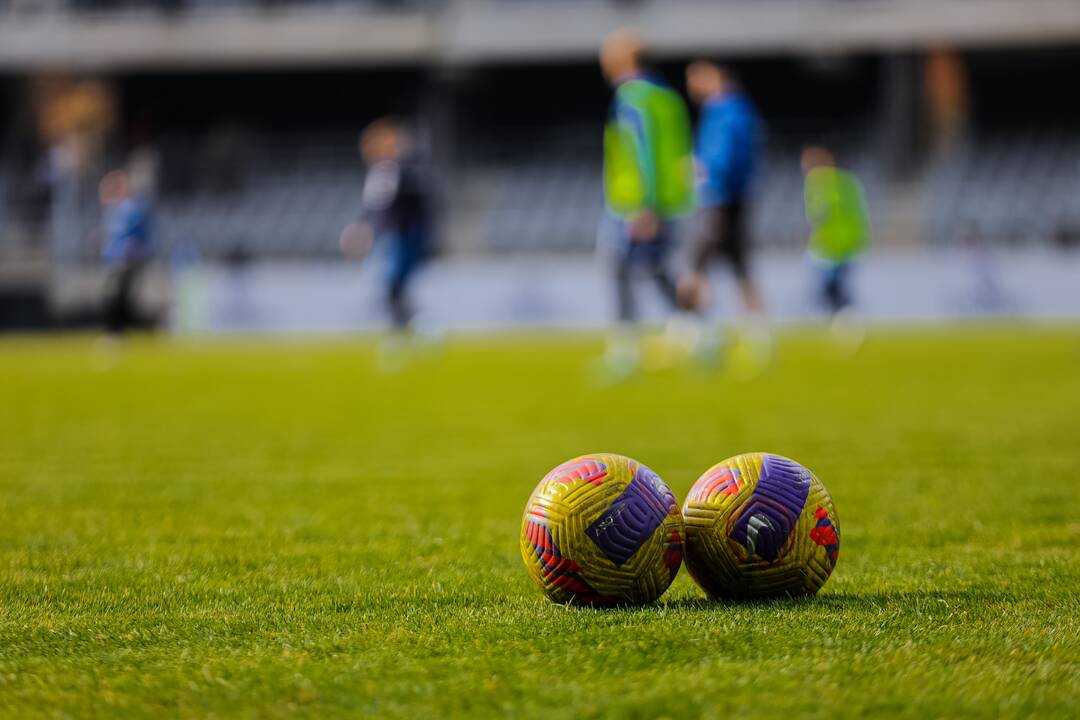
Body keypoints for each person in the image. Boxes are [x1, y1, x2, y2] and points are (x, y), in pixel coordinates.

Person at [599, 29, 695, 376]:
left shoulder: (632, 98)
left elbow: (641, 152)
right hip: (671, 200)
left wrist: (644, 204)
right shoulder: (667, 98)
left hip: (636, 202)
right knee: (659, 270)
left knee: (618, 269)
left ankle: (625, 349)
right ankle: (697, 332)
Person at [681, 60, 769, 363]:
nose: (693, 84)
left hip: (721, 196)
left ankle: (698, 330)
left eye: (698, 77)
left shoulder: (727, 110)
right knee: (738, 265)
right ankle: (758, 336)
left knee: (696, 262)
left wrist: (701, 170)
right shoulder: (734, 109)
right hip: (735, 195)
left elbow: (723, 156)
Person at [341, 117, 435, 332]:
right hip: (395, 236)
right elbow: (375, 205)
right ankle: (407, 328)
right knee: (393, 288)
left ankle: (414, 328)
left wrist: (363, 228)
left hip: (403, 236)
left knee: (394, 286)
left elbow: (380, 204)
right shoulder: (386, 171)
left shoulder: (398, 169)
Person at [800, 146, 871, 344]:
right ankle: (846, 322)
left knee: (831, 288)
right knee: (834, 288)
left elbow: (820, 215)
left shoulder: (819, 183)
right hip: (850, 242)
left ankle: (847, 323)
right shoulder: (848, 181)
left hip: (832, 246)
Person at [99, 168, 153, 337]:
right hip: (116, 260)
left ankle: (116, 333)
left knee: (117, 297)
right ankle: (119, 332)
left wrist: (127, 257)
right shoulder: (116, 210)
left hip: (125, 261)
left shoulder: (131, 209)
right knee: (117, 297)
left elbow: (135, 237)